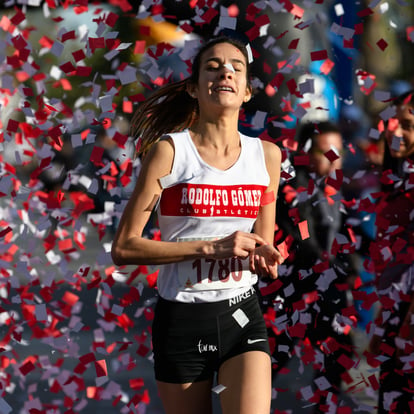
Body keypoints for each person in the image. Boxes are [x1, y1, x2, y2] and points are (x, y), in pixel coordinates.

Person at [111, 36, 284, 414]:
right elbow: (124, 248)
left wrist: (267, 256)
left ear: (247, 92)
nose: (225, 71)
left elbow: (262, 245)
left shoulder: (267, 156)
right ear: (193, 87)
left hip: (242, 314)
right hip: (183, 320)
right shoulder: (170, 152)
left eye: (237, 68)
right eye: (213, 66)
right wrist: (214, 246)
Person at [262, 121, 356, 413]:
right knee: (270, 362)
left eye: (337, 151)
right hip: (293, 296)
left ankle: (323, 404)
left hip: (325, 293)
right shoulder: (292, 190)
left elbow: (342, 235)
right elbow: (303, 239)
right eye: (325, 150)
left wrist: (351, 267)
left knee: (339, 352)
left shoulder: (333, 187)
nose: (333, 157)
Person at [367, 89, 414, 414]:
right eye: (392, 122)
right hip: (396, 318)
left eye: (407, 124)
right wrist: (384, 319)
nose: (395, 131)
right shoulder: (395, 178)